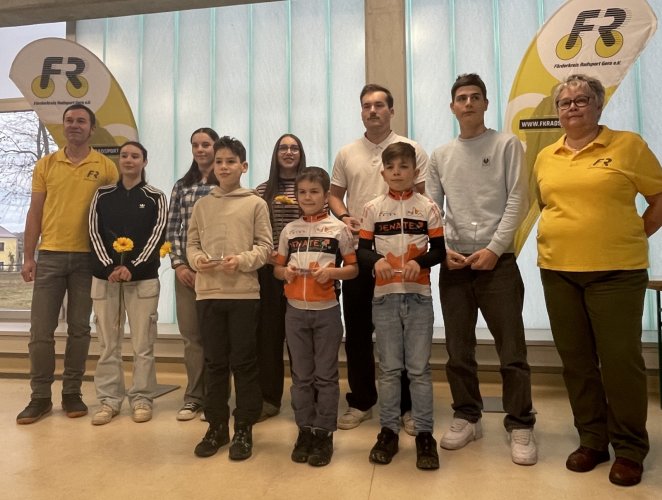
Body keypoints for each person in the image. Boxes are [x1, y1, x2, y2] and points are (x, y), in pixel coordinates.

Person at [534, 74, 662, 487]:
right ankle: (592, 440)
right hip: (559, 271)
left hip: (617, 273)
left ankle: (629, 449)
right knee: (577, 362)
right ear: (557, 111)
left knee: (621, 362)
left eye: (581, 100)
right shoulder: (546, 156)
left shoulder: (628, 145)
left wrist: (634, 233)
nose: (572, 107)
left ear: (599, 105)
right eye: (565, 102)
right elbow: (548, 205)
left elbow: (659, 198)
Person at [426, 73, 537, 466]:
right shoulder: (441, 155)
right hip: (455, 264)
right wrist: (443, 250)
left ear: (486, 104)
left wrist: (494, 248)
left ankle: (520, 422)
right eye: (461, 98)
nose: (468, 103)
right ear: (452, 107)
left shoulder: (507, 145)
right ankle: (467, 415)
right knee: (458, 349)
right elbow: (432, 210)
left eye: (475, 97)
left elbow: (518, 199)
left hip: (498, 263)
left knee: (512, 349)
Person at [329, 83, 428, 432]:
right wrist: (344, 217)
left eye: (379, 105)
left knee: (402, 331)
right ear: (361, 112)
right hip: (360, 252)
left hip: (403, 255)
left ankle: (405, 407)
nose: (372, 111)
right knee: (357, 331)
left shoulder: (411, 149)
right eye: (366, 106)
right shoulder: (347, 153)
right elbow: (334, 195)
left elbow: (423, 198)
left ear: (391, 110)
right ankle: (362, 401)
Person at [16, 104, 119, 425]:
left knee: (80, 329)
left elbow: (113, 216)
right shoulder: (46, 165)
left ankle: (72, 392)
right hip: (49, 256)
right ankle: (40, 397)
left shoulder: (106, 167)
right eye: (69, 120)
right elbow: (35, 212)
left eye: (81, 121)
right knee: (40, 331)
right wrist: (29, 256)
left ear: (91, 128)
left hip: (88, 259)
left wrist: (112, 260)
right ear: (63, 126)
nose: (74, 125)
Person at [359, 142, 444, 470]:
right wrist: (376, 261)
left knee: (419, 370)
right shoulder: (372, 208)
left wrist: (420, 262)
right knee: (390, 369)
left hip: (419, 297)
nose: (397, 172)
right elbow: (362, 250)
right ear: (383, 173)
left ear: (415, 172)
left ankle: (425, 435)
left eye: (404, 167)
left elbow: (439, 250)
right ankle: (388, 432)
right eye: (391, 167)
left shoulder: (428, 207)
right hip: (384, 299)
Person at [187, 136, 272, 460]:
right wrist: (197, 261)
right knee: (214, 362)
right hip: (208, 293)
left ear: (243, 166)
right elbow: (192, 244)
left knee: (244, 362)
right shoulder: (202, 204)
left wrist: (242, 261)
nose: (224, 167)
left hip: (243, 295)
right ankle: (216, 427)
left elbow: (265, 247)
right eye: (219, 162)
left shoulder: (255, 204)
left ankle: (244, 428)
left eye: (230, 161)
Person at [274, 166, 358, 467]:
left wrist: (332, 273)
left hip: (327, 314)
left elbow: (353, 269)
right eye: (302, 192)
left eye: (314, 192)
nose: (307, 197)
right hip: (295, 313)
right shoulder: (290, 230)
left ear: (326, 196)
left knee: (325, 376)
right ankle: (304, 430)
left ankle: (324, 433)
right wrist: (286, 272)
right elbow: (277, 269)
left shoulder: (338, 230)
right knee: (301, 377)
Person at [88, 141, 167, 425]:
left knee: (143, 345)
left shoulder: (156, 197)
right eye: (124, 156)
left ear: (144, 162)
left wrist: (132, 267)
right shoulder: (102, 195)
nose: (129, 160)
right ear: (119, 161)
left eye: (135, 156)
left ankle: (142, 398)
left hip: (142, 280)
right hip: (105, 279)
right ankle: (109, 400)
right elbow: (94, 232)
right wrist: (109, 267)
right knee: (108, 344)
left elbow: (157, 235)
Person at [166, 127, 220, 421]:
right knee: (192, 338)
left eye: (206, 144)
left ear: (216, 147)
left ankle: (216, 398)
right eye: (195, 145)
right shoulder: (182, 186)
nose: (200, 150)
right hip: (187, 273)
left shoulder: (225, 184)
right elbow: (173, 229)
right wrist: (179, 265)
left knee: (217, 337)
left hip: (217, 272)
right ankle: (194, 397)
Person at [255, 134, 307, 422]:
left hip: (304, 272)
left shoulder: (311, 187)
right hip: (270, 272)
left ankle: (305, 398)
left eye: (294, 148)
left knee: (302, 339)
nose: (289, 152)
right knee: (269, 337)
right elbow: (256, 230)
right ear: (276, 154)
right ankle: (269, 399)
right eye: (283, 148)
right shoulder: (262, 190)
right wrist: (270, 255)